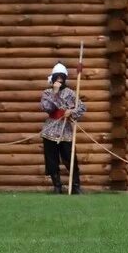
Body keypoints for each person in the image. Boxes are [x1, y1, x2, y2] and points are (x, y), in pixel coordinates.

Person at [40, 62, 85, 194]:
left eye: (61, 77)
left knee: (70, 158)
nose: (59, 80)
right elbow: (46, 108)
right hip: (50, 130)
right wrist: (55, 93)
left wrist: (71, 112)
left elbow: (82, 108)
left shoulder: (70, 93)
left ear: (65, 78)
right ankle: (57, 186)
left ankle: (75, 186)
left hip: (66, 130)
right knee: (52, 160)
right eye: (57, 77)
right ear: (53, 78)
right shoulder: (47, 93)